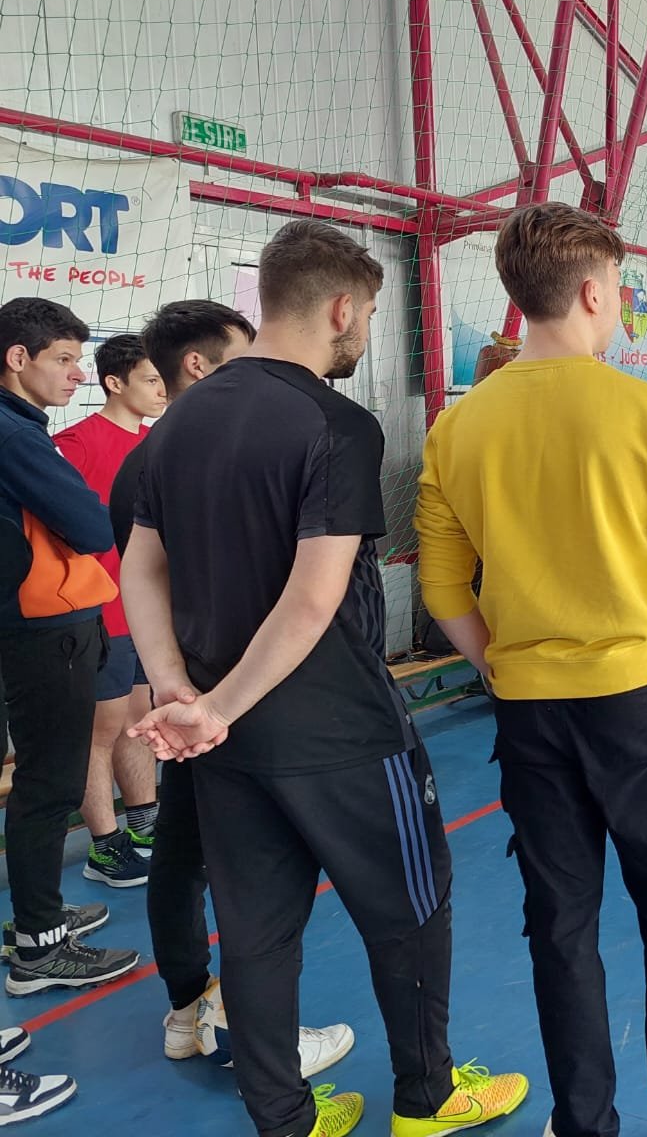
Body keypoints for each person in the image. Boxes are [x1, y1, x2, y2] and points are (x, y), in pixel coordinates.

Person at [123, 220, 526, 1137]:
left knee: (256, 928)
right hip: (338, 728)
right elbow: (312, 601)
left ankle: (286, 1118)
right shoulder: (335, 424)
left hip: (224, 739)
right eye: (371, 314)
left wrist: (182, 691)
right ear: (342, 308)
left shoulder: (180, 418)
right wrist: (211, 707)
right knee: (411, 906)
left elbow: (140, 567)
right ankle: (428, 1099)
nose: (367, 331)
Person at [414, 201, 647, 1137]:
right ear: (590, 292)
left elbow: (444, 586)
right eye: (617, 288)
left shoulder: (459, 428)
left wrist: (500, 666)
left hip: (532, 713)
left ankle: (583, 1123)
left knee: (561, 924)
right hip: (645, 699)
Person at [110, 300, 351, 1073]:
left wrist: (175, 687)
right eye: (246, 356)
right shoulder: (203, 454)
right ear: (199, 365)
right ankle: (254, 1038)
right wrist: (204, 697)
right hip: (242, 700)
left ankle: (190, 1007)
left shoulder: (151, 459)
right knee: (260, 875)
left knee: (184, 852)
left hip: (193, 696)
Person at [0, 297, 141, 1000]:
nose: (76, 373)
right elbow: (90, 526)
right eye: (63, 359)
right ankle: (39, 948)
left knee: (43, 780)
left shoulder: (23, 429)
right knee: (48, 785)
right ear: (16, 358)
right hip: (43, 631)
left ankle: (40, 917)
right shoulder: (15, 434)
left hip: (45, 625)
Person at [52, 333, 167, 889]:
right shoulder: (73, 444)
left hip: (148, 612)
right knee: (98, 731)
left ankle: (143, 824)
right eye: (151, 379)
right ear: (114, 383)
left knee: (140, 721)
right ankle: (103, 846)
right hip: (99, 613)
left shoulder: (156, 444)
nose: (162, 390)